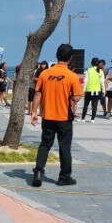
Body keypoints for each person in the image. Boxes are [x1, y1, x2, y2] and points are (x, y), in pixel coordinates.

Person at [31, 44, 82, 187]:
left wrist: (34, 112)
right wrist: (71, 95)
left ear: (56, 55)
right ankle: (64, 177)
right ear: (70, 58)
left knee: (45, 144)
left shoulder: (44, 74)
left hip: (47, 116)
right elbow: (76, 97)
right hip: (64, 117)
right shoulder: (72, 76)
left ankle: (38, 172)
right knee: (64, 146)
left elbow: (38, 94)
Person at [81, 57, 104, 122]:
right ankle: (92, 119)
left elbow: (85, 81)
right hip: (97, 90)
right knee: (95, 105)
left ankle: (83, 118)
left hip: (89, 90)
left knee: (86, 104)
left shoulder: (88, 70)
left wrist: (83, 90)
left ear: (91, 63)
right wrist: (103, 91)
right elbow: (102, 82)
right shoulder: (101, 71)